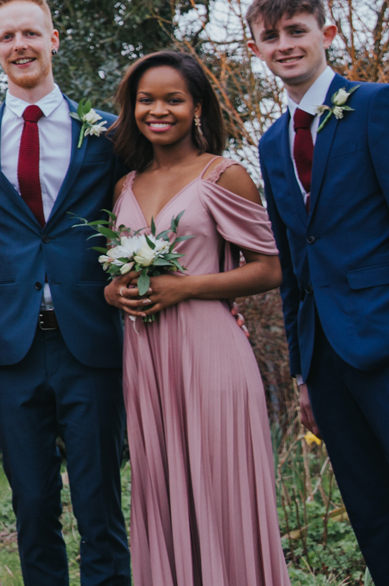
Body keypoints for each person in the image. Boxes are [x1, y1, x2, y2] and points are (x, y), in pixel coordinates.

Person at [247, 0, 389, 582]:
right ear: (256, 48)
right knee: (377, 523)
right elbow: (295, 264)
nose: (285, 45)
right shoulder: (272, 142)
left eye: (296, 30)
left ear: (326, 36)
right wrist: (303, 373)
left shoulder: (381, 105)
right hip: (327, 362)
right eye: (270, 36)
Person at [0, 0, 130, 586]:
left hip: (92, 338)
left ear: (53, 39)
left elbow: (137, 217)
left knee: (99, 504)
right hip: (12, 348)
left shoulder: (105, 132)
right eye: (8, 37)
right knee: (32, 507)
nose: (20, 45)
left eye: (31, 33)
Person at [100, 50, 287, 585]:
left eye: (173, 99)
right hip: (146, 358)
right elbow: (114, 272)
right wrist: (114, 292)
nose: (159, 110)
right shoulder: (124, 186)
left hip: (210, 355)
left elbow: (271, 268)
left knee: (221, 488)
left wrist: (186, 288)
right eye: (146, 100)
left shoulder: (224, 176)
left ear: (197, 106)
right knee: (163, 490)